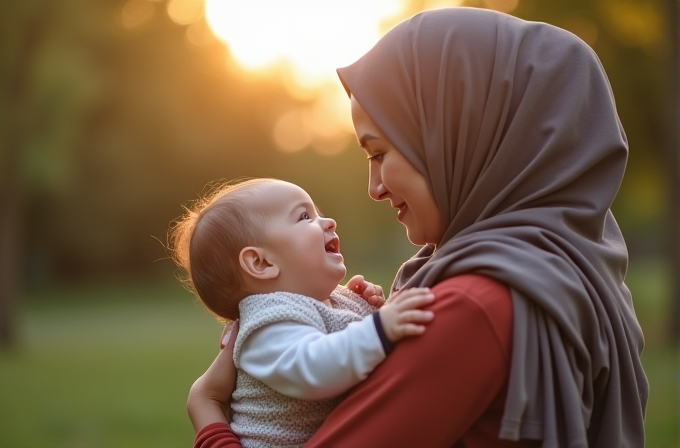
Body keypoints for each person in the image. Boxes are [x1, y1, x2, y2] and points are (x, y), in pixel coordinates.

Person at [187, 7, 648, 448]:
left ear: (456, 133)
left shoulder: (471, 307)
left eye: (379, 153)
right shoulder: (575, 270)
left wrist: (208, 415)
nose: (374, 188)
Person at [170, 177, 436, 447]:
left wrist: (375, 307)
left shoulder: (331, 299)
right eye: (304, 217)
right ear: (261, 263)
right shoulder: (267, 323)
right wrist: (379, 327)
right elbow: (315, 368)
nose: (328, 221)